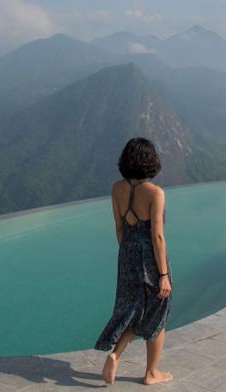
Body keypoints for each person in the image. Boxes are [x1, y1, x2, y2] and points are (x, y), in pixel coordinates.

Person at [95, 137, 173, 385]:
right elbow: (157, 236)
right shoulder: (155, 193)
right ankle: (151, 373)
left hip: (127, 256)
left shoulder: (117, 188)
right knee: (158, 313)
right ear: (151, 162)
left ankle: (115, 355)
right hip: (151, 261)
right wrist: (162, 275)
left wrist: (129, 258)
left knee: (133, 311)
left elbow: (119, 228)